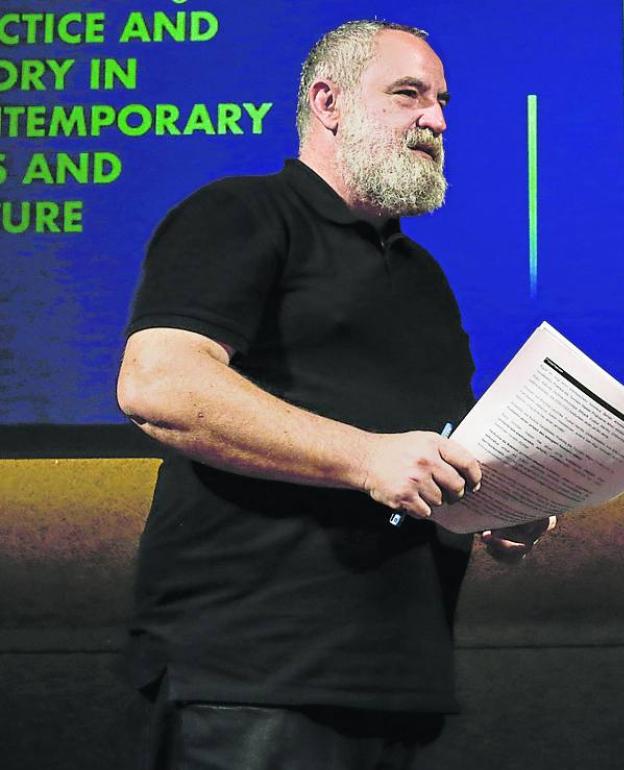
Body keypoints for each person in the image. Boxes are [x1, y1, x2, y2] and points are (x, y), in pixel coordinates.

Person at [115, 20, 553, 769]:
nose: (437, 120)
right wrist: (364, 458)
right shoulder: (243, 214)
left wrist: (500, 507)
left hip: (395, 682)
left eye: (443, 101)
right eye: (409, 94)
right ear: (328, 102)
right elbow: (159, 381)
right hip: (255, 680)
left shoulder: (422, 279)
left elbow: (432, 455)